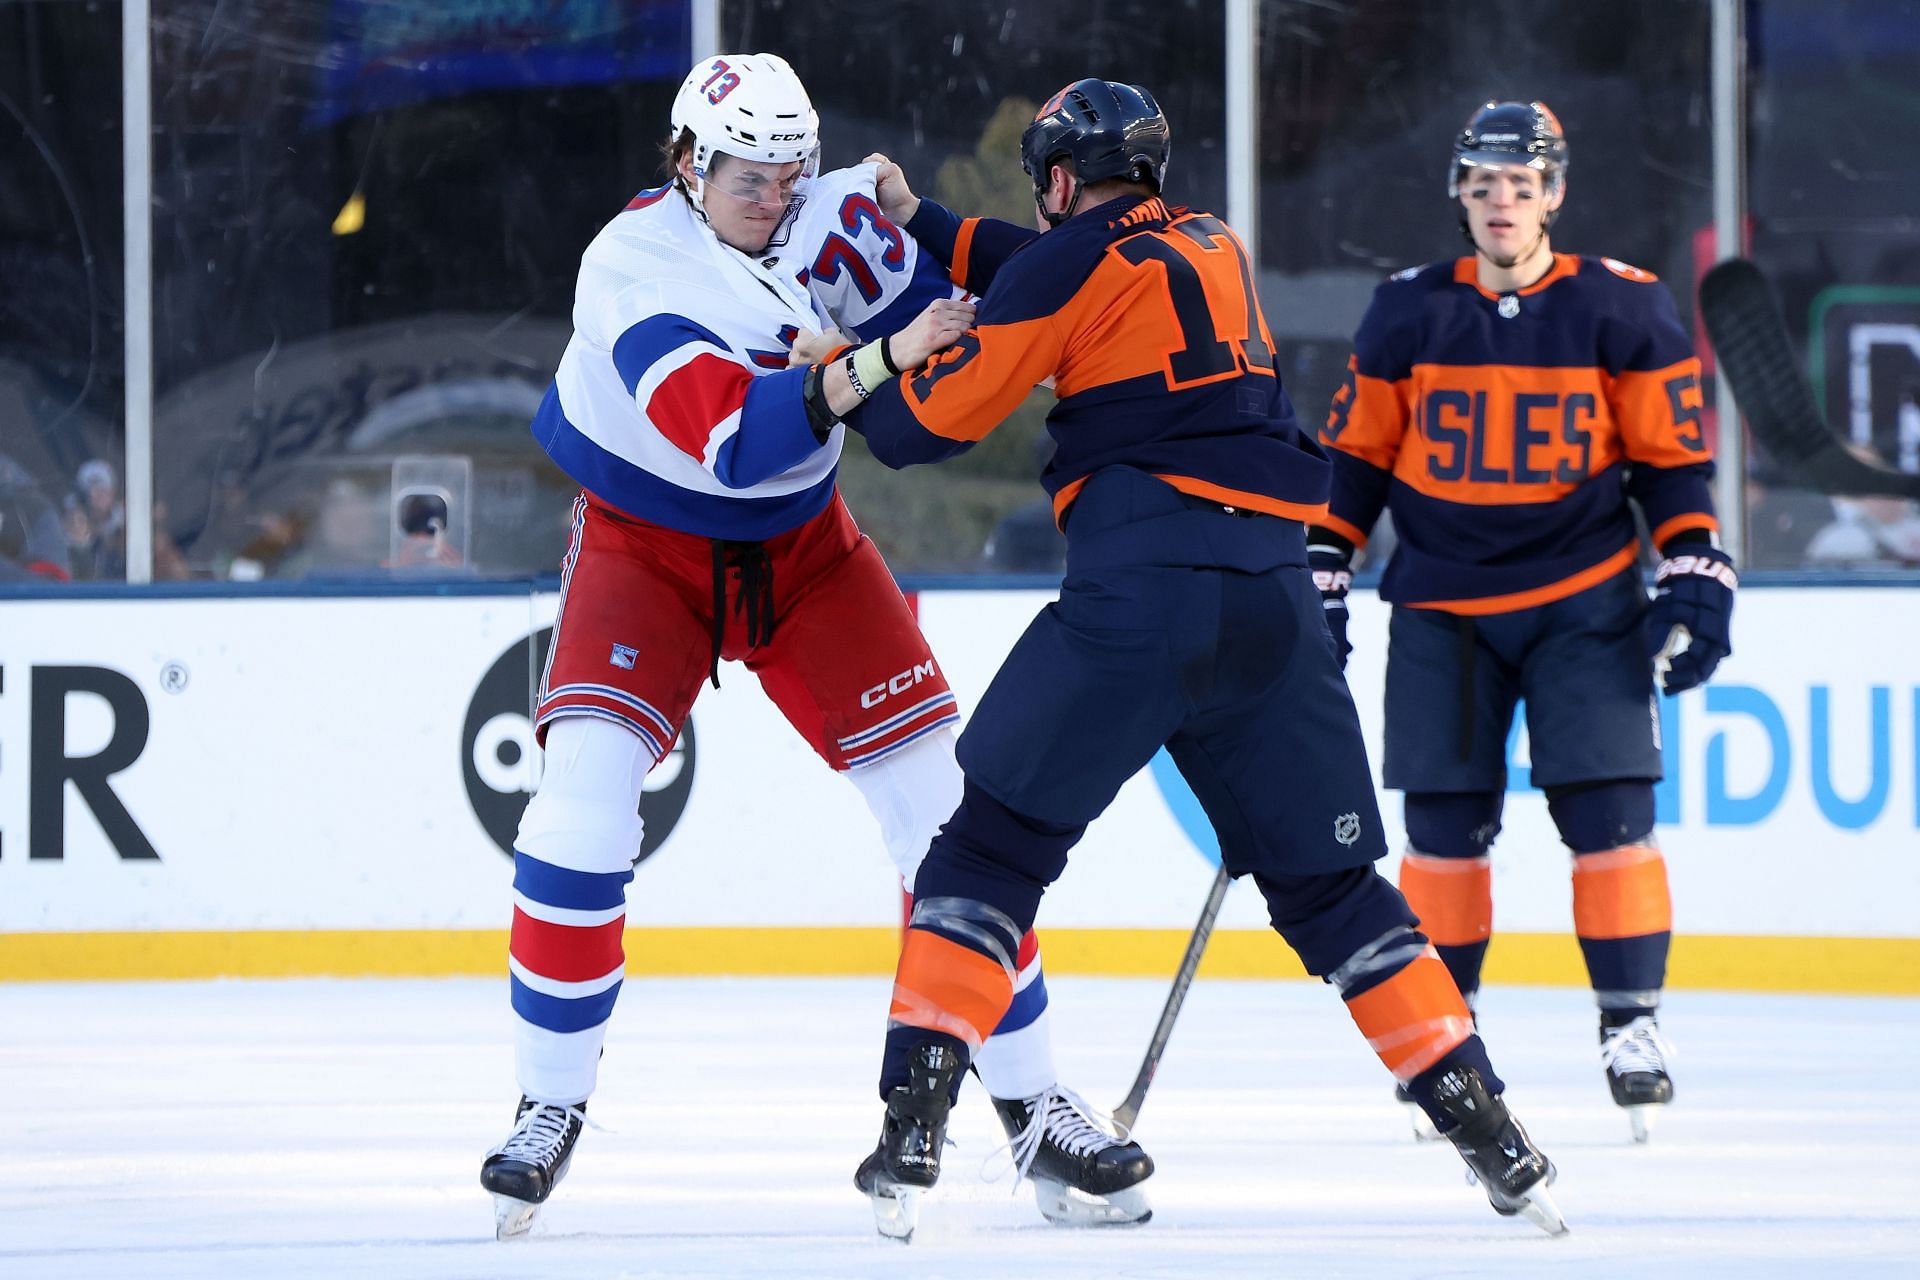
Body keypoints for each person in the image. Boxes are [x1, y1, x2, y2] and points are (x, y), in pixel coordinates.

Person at [814, 79, 1564, 1240]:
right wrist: (923, 223)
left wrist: (846, 368)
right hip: (1270, 597)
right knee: (1339, 896)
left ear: (1060, 175)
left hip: (1140, 592)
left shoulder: (1064, 267)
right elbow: (1055, 265)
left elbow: (926, 429)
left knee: (991, 849)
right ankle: (1493, 1135)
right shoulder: (1215, 242)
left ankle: (911, 1129)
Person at [479, 53, 1153, 1239]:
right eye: (749, 175)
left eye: (792, 172)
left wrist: (912, 312)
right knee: (578, 809)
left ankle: (1035, 1102)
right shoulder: (631, 265)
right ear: (688, 164)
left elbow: (921, 418)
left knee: (951, 817)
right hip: (649, 545)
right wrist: (879, 361)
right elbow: (735, 440)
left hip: (808, 548)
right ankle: (550, 1099)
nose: (777, 198)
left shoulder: (833, 208)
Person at [1309, 101, 1737, 1144]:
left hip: (1584, 595)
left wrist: (1694, 558)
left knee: (1609, 812)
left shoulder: (1622, 307)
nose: (1502, 200)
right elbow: (1358, 459)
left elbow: (1670, 462)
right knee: (1443, 833)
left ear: (1554, 193)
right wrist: (1322, 564)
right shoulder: (1406, 310)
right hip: (1444, 602)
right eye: (1483, 181)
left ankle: (1630, 1025)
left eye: (1522, 182)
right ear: (1458, 194)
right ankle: (1447, 1038)